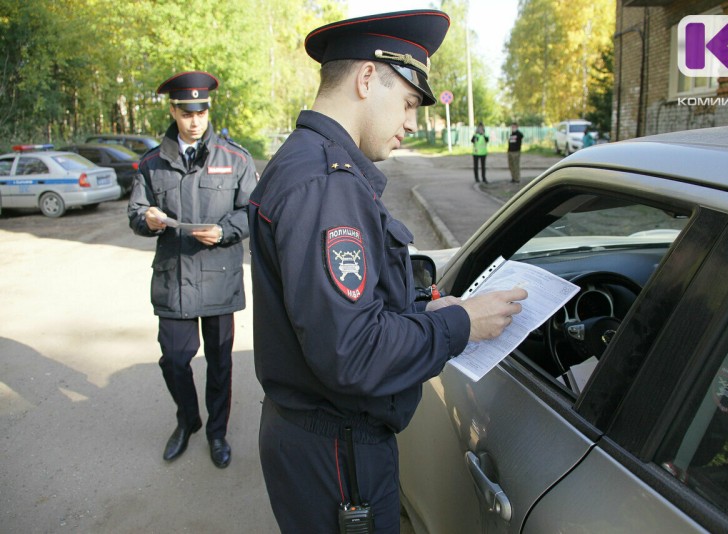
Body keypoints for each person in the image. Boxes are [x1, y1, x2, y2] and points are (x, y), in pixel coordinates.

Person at [248, 10, 527, 533]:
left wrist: (421, 309)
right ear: (366, 78)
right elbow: (352, 352)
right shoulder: (327, 184)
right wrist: (461, 323)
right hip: (338, 455)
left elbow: (340, 311)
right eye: (407, 103)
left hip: (322, 444)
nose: (411, 122)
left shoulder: (312, 163)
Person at [127, 71, 258, 469]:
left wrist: (224, 230)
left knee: (219, 363)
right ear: (173, 111)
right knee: (174, 359)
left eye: (200, 111)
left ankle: (217, 433)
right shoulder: (152, 163)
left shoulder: (235, 158)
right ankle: (188, 421)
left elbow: (254, 213)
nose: (195, 120)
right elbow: (134, 212)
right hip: (174, 280)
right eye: (187, 112)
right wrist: (146, 219)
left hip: (219, 279)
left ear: (208, 109)